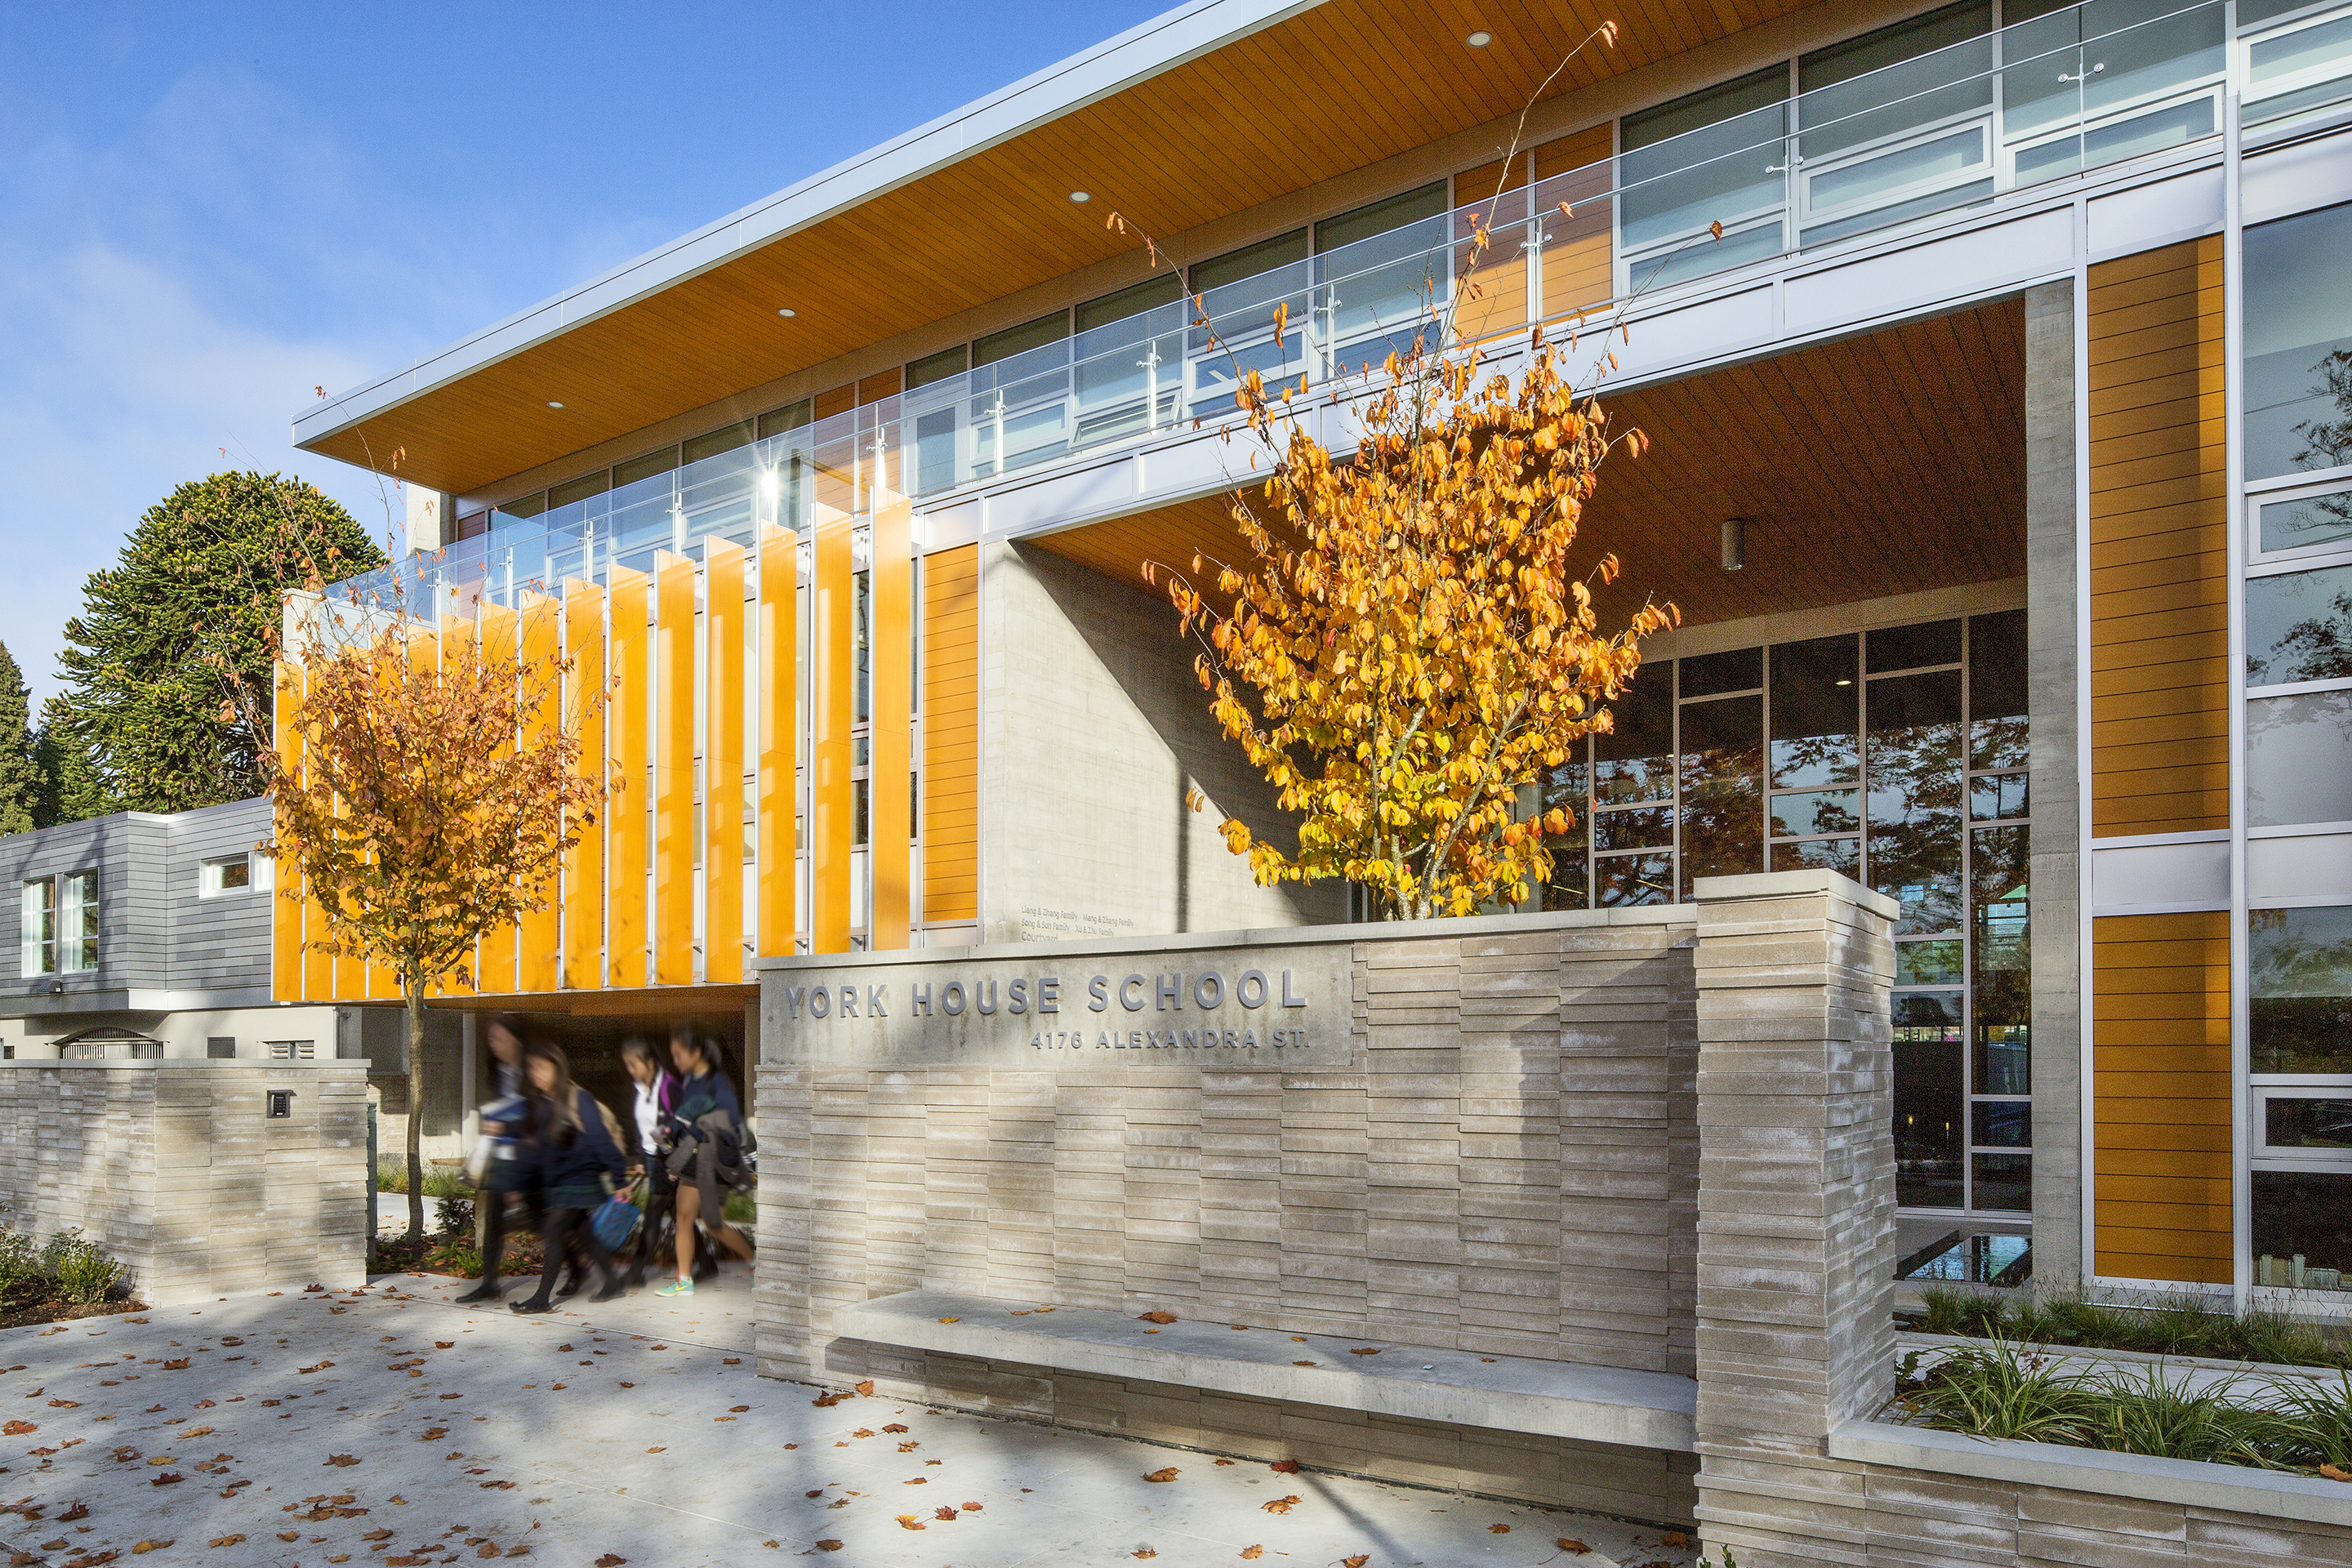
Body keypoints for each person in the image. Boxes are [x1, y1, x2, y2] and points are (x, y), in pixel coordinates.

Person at [512, 1039, 630, 1314]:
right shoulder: (543, 1104)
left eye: (541, 1067)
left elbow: (601, 1140)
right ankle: (612, 1282)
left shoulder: (579, 1098)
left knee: (555, 1231)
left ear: (558, 1067)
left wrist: (619, 1179)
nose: (535, 1074)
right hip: (562, 1182)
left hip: (581, 1179)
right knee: (585, 1235)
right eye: (532, 1069)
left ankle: (542, 1298)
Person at [655, 1031, 754, 1298]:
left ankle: (756, 1263)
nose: (676, 1060)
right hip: (693, 1161)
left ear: (696, 1053)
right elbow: (684, 1120)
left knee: (714, 1225)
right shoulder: (689, 1082)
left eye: (679, 1054)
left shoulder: (717, 1082)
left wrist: (701, 1126)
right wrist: (671, 1131)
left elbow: (729, 1120)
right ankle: (684, 1280)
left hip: (714, 1161)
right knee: (684, 1217)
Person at [455, 1015, 536, 1307]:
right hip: (504, 1156)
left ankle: (577, 1269)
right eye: (491, 1040)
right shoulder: (500, 1071)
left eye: (499, 1039)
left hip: (531, 1156)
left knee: (549, 1219)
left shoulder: (532, 1070)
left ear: (516, 1039)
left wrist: (508, 1127)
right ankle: (489, 1283)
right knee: (494, 1223)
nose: (495, 1045)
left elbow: (540, 1117)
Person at [618, 1036, 680, 1290]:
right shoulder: (640, 1090)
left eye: (634, 1064)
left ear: (650, 1062)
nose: (631, 1070)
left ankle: (636, 1271)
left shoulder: (668, 1087)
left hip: (669, 1162)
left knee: (654, 1215)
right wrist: (642, 1158)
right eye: (628, 1065)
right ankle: (706, 1263)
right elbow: (641, 1127)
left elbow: (683, 1125)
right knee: (677, 1214)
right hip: (654, 1159)